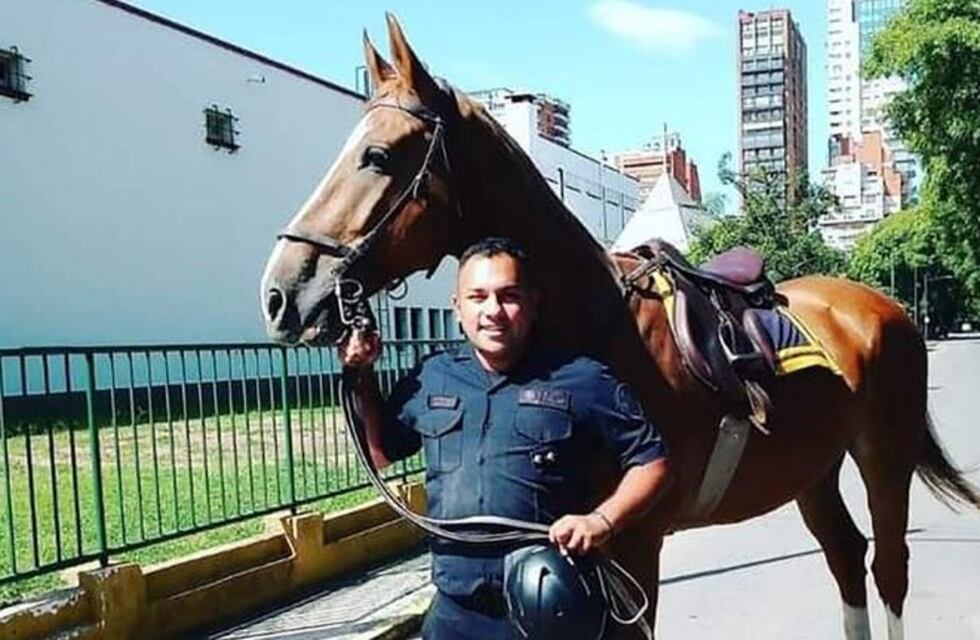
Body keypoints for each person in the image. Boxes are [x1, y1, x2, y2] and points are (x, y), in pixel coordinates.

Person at [340, 237, 671, 639]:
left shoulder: (582, 378)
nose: (493, 311)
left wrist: (601, 521)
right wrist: (360, 374)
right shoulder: (432, 376)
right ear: (457, 308)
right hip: (454, 613)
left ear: (533, 303)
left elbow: (652, 460)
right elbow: (379, 453)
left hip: (549, 611)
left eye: (508, 296)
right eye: (477, 297)